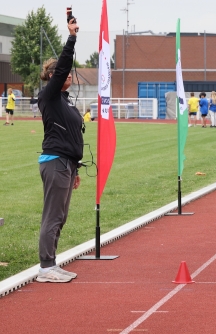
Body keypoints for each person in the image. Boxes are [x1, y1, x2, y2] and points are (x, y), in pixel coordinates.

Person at [35, 18, 82, 283]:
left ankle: (51, 263)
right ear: (54, 76)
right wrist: (72, 38)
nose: (71, 76)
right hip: (55, 162)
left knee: (60, 216)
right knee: (52, 215)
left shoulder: (64, 102)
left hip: (66, 164)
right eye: (66, 73)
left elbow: (73, 135)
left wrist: (76, 168)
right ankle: (46, 267)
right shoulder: (49, 95)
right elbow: (64, 64)